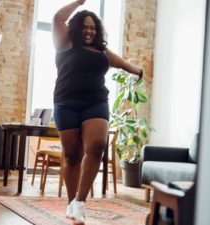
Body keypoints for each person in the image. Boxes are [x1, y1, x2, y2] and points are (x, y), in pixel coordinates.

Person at [52, 0, 143, 224]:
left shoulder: (100, 50)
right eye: (85, 27)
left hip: (96, 102)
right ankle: (71, 202)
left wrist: (136, 70)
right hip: (66, 103)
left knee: (96, 147)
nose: (89, 31)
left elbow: (119, 62)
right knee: (72, 156)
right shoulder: (63, 43)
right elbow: (57, 19)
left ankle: (81, 202)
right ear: (76, 28)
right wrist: (79, 2)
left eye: (93, 27)